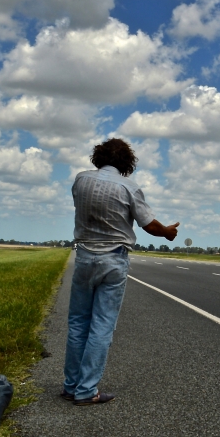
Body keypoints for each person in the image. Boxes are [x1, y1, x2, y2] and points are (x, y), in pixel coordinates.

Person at [62, 138, 179, 405]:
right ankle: (86, 390)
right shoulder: (129, 187)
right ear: (127, 163)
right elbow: (149, 225)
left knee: (78, 322)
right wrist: (168, 232)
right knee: (102, 325)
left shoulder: (81, 180)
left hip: (84, 255)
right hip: (113, 259)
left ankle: (70, 386)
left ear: (98, 157)